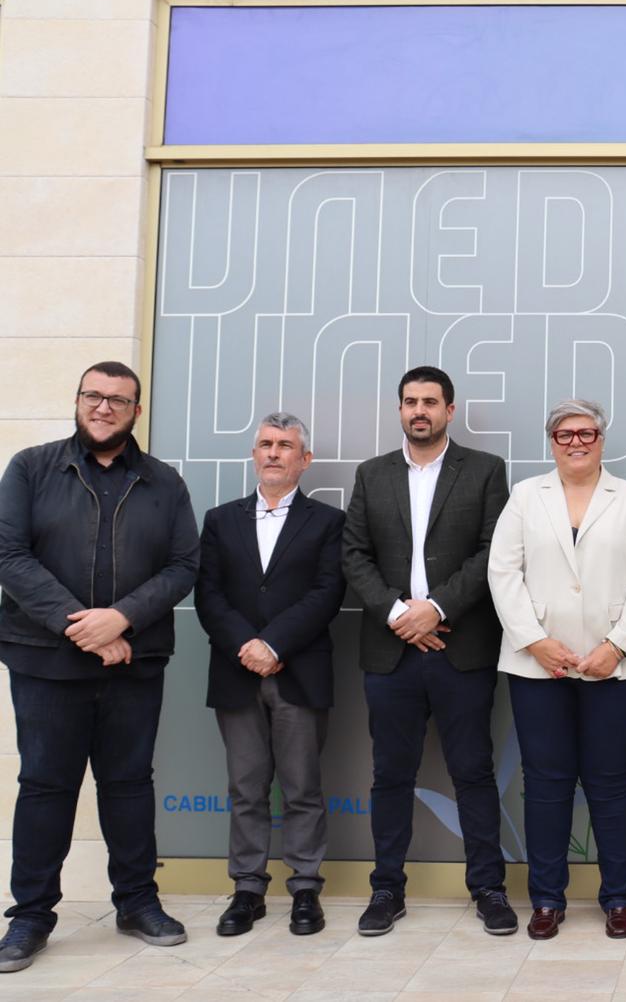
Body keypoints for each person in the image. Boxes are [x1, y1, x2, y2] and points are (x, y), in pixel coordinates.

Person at [0, 362, 200, 973]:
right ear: (79, 400)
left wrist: (121, 620)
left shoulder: (165, 482)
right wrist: (79, 624)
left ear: (136, 411)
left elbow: (184, 565)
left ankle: (138, 902)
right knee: (44, 786)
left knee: (130, 785)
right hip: (45, 661)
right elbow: (9, 554)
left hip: (133, 661)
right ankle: (31, 915)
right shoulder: (31, 468)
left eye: (119, 399)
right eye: (94, 395)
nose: (104, 407)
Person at [341, 365, 515, 938]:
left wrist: (435, 609)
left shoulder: (486, 471)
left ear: (450, 410)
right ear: (399, 410)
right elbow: (355, 555)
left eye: (431, 402)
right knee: (391, 775)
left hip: (460, 647)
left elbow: (493, 552)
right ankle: (387, 889)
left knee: (473, 772)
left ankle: (488, 888)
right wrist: (400, 614)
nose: (420, 410)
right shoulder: (372, 475)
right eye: (410, 401)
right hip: (391, 651)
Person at [488, 399, 626, 941]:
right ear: (552, 442)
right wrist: (535, 642)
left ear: (601, 439)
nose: (576, 442)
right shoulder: (525, 497)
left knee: (611, 785)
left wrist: (617, 645)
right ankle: (546, 899)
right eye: (565, 435)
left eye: (586, 432)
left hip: (611, 668)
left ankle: (619, 897)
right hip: (538, 668)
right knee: (545, 785)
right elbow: (503, 574)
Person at [194, 412, 347, 938]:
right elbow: (208, 594)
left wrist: (275, 643)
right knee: (246, 787)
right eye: (265, 444)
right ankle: (248, 891)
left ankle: (305, 888)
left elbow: (327, 592)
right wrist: (247, 646)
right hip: (237, 672)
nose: (274, 452)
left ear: (305, 459)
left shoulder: (328, 522)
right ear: (254, 455)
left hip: (298, 671)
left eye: (286, 445)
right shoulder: (220, 519)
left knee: (302, 786)